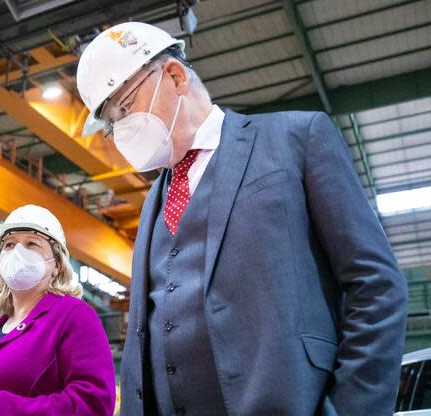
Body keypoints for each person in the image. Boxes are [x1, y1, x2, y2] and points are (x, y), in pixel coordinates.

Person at [76, 22, 408, 416]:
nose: (120, 132)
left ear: (175, 76)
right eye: (111, 124)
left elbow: (376, 286)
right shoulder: (153, 202)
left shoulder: (297, 139)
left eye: (125, 108)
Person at [0, 205, 116, 416]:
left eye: (32, 243)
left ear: (57, 265)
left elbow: (94, 405)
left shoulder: (74, 315)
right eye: (9, 244)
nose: (18, 252)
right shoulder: (1, 326)